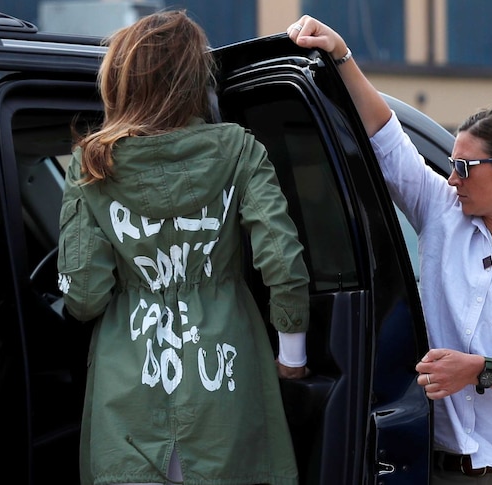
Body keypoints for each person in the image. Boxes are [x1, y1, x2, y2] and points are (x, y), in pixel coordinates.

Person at [288, 15, 492, 485]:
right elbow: (386, 139)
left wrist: (479, 370)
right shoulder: (444, 212)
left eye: (463, 166)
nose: (452, 178)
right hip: (443, 468)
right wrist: (342, 56)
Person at [57, 10, 310, 485]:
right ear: (196, 80)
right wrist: (292, 354)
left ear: (122, 79)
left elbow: (85, 295)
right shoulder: (238, 149)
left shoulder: (90, 165)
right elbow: (282, 257)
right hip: (224, 369)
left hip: (129, 377)